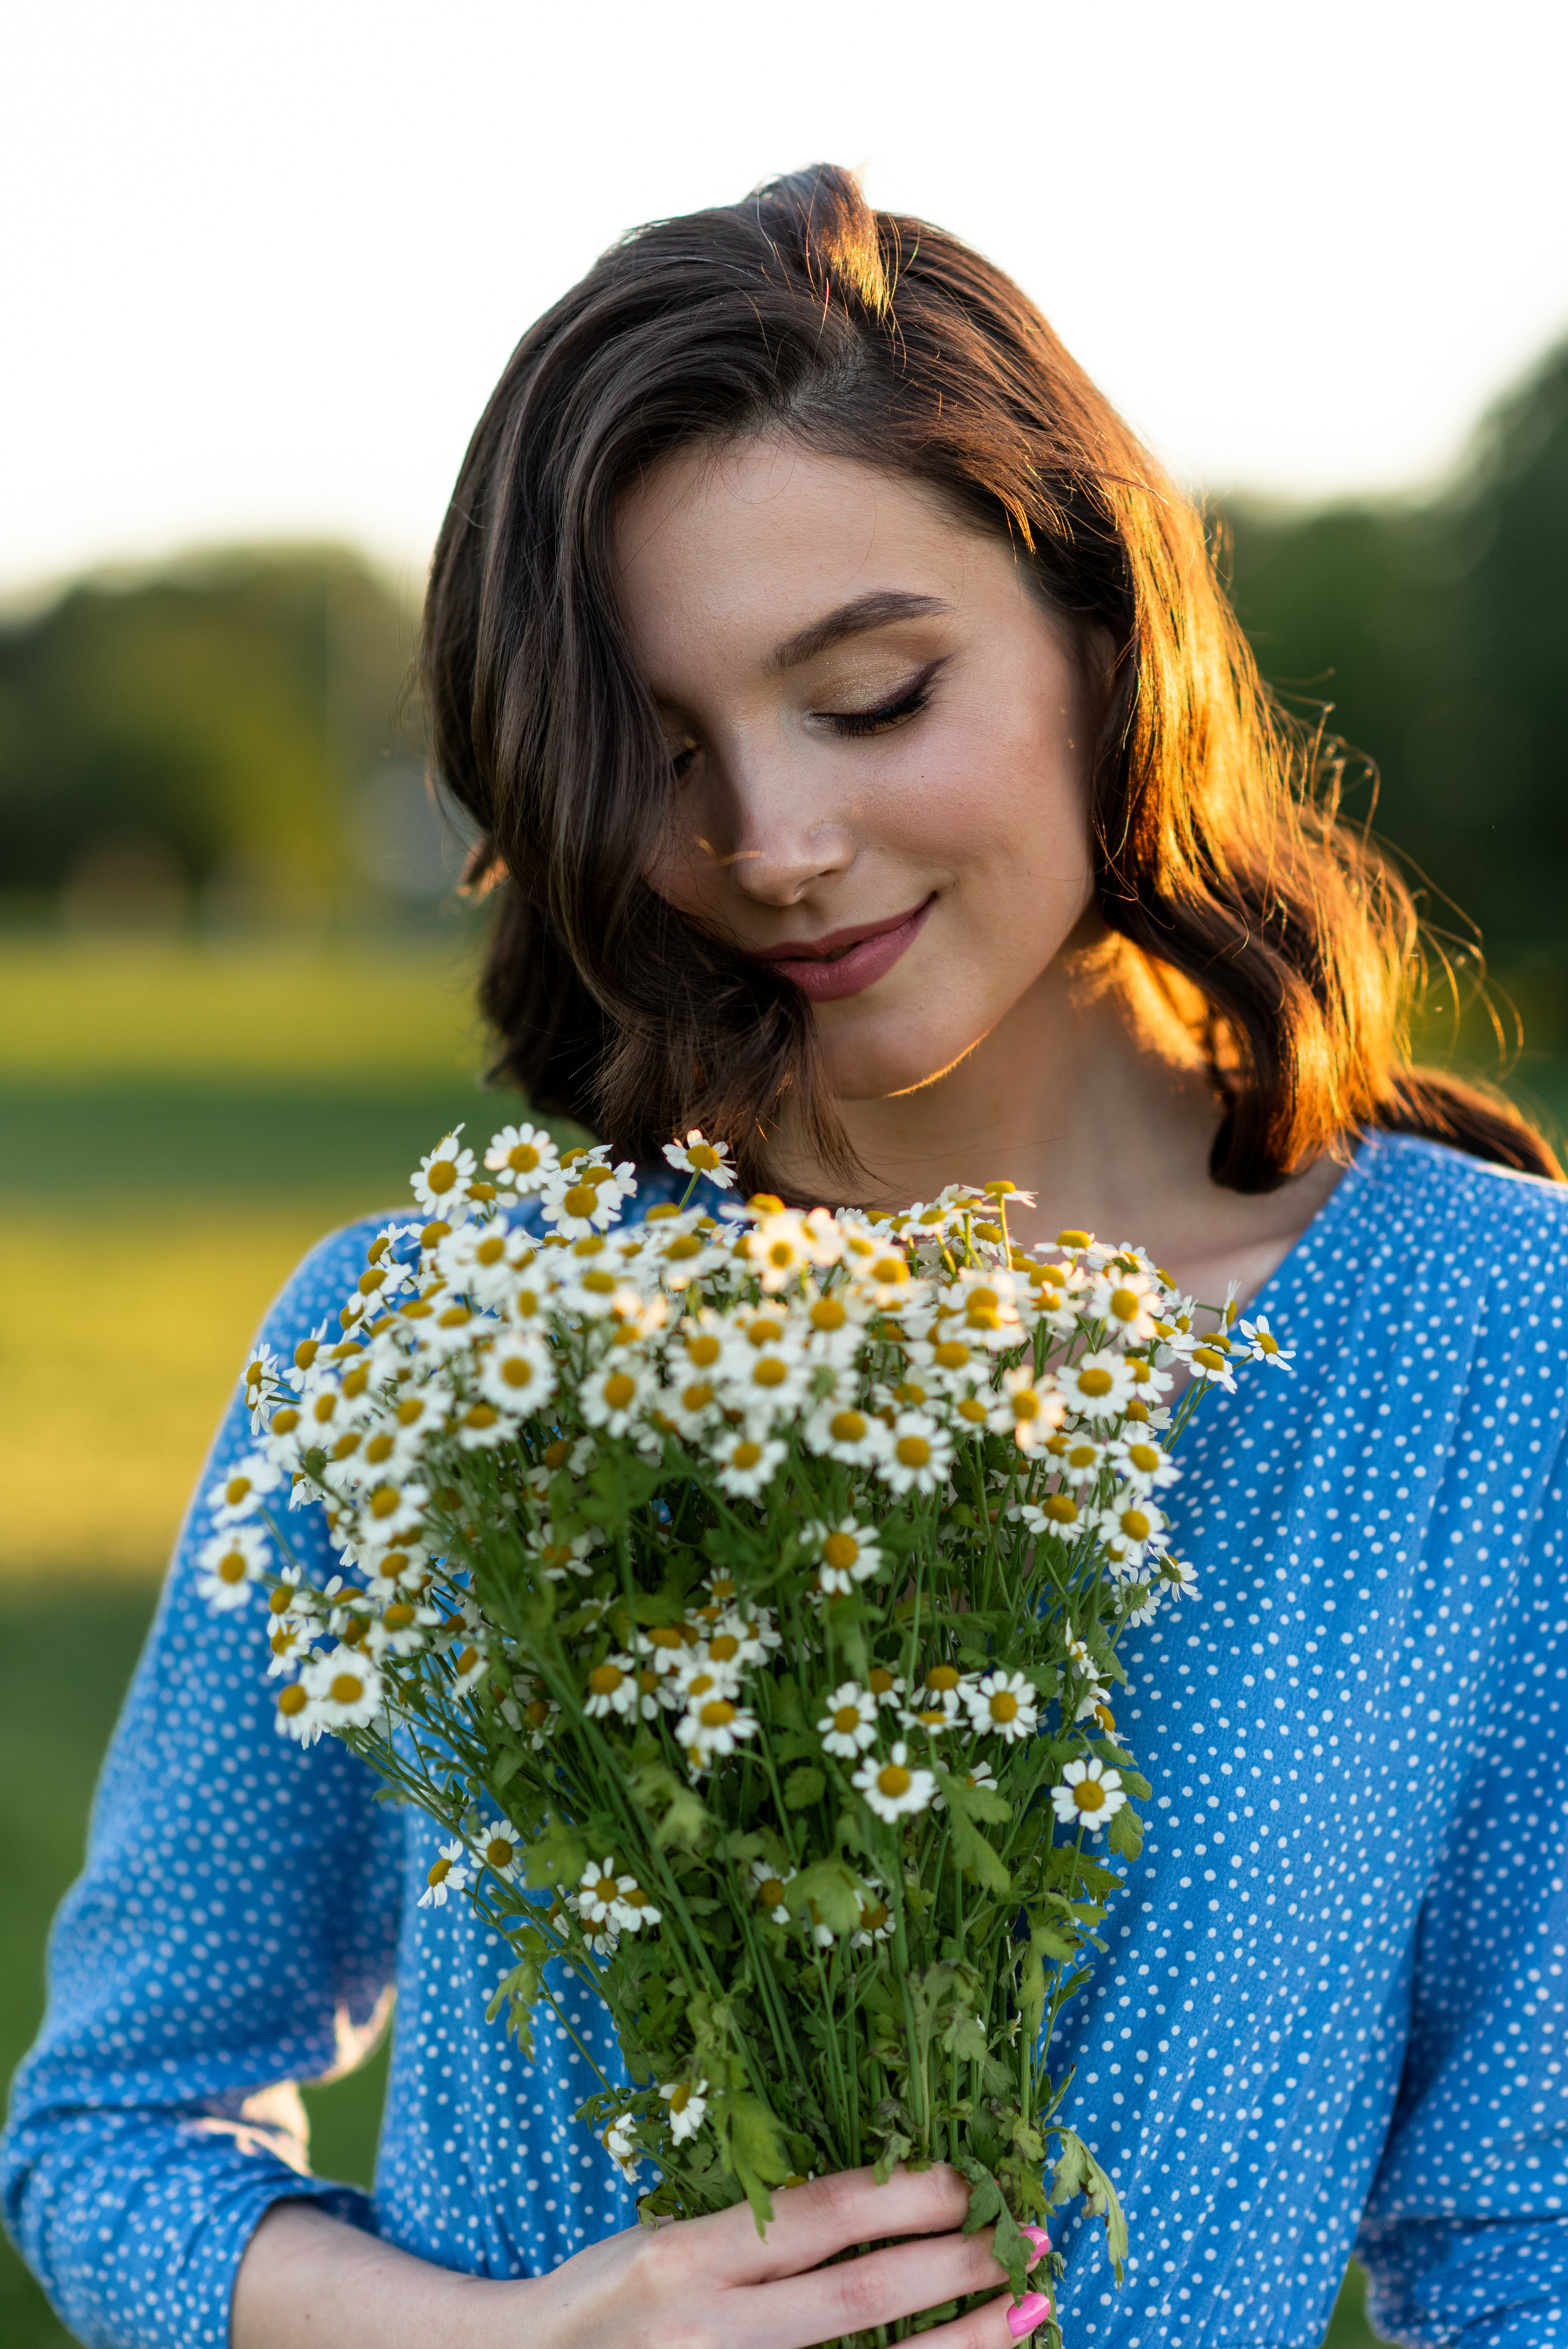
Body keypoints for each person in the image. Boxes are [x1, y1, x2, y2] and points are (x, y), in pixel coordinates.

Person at [5, 164, 1567, 2349]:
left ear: (1105, 630)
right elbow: (108, 2136)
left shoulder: (1495, 1341)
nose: (774, 844)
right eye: (659, 761)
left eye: (873, 695)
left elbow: (1528, 2244)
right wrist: (532, 2341)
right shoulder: (428, 1348)